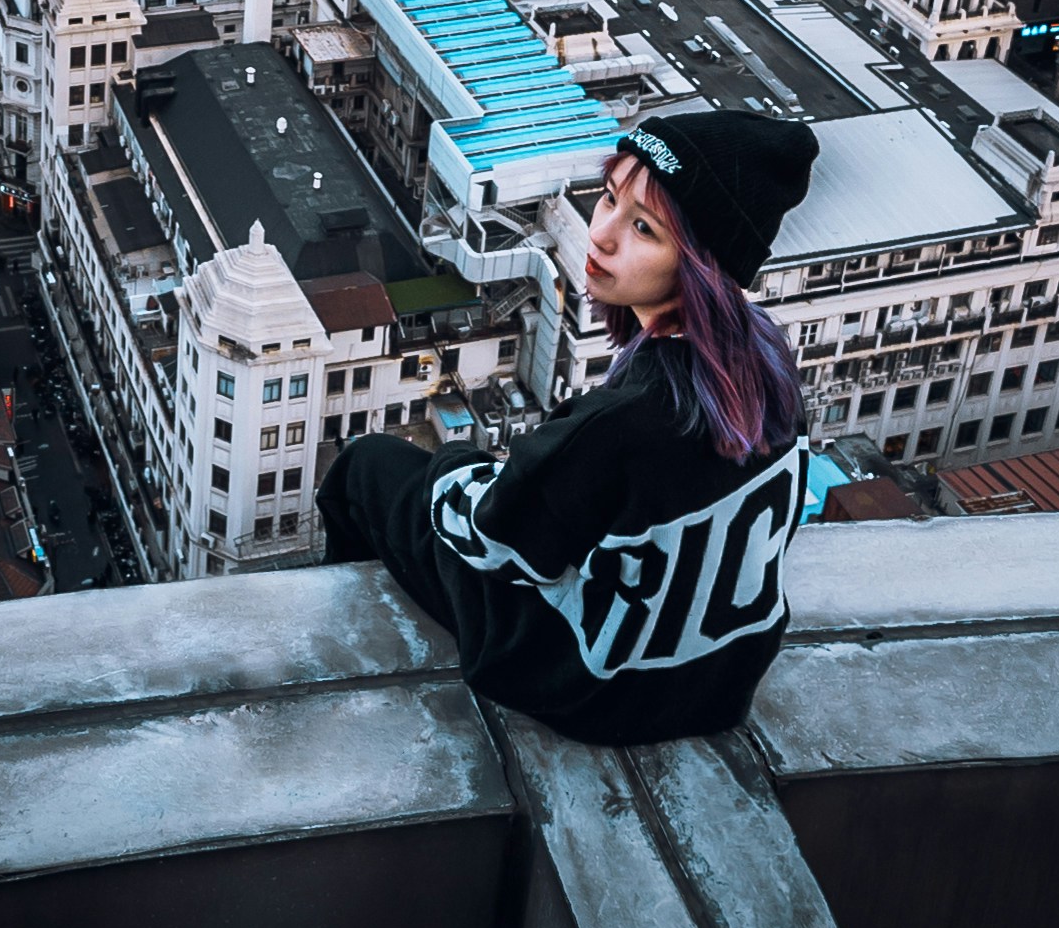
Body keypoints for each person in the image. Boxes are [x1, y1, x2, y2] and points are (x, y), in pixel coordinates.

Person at [317, 109, 818, 743]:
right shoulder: (769, 366)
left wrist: (453, 469)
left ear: (700, 266)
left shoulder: (622, 423)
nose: (601, 236)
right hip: (720, 685)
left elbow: (498, 541)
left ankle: (334, 624)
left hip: (595, 691)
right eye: (608, 199)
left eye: (644, 228)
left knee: (367, 468)